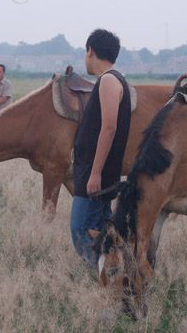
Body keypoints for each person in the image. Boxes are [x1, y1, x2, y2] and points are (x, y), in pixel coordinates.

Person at [70, 29, 131, 267]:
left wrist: (95, 173)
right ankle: (114, 274)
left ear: (90, 51)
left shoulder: (108, 80)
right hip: (99, 173)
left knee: (81, 229)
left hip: (95, 175)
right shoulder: (114, 79)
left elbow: (109, 128)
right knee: (102, 231)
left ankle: (100, 279)